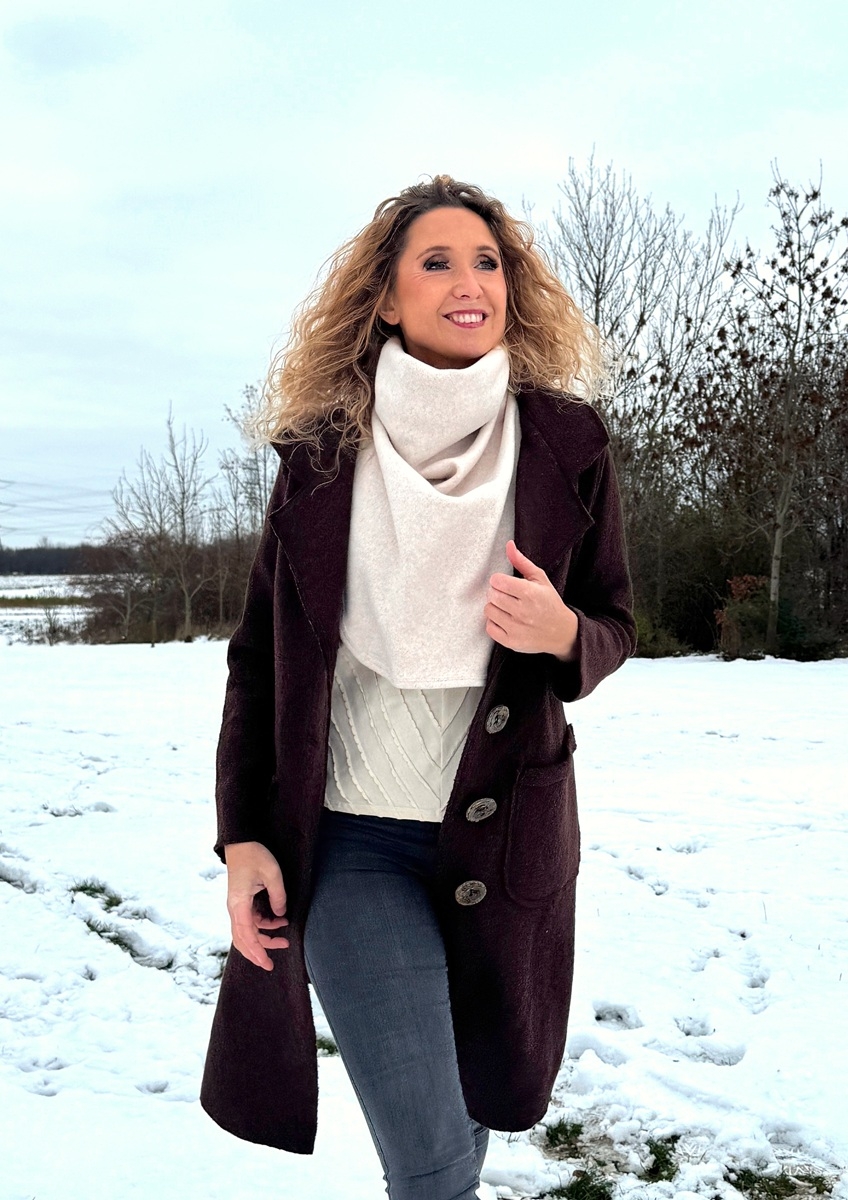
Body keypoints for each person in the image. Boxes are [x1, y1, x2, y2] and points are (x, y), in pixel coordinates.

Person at [200, 175, 636, 1200]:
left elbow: (614, 623)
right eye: (434, 263)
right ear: (387, 298)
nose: (467, 281)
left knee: (467, 1118)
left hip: (507, 842)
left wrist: (563, 633)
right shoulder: (321, 459)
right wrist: (242, 836)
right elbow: (258, 658)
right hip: (353, 847)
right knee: (431, 1162)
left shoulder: (566, 445)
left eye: (486, 261)